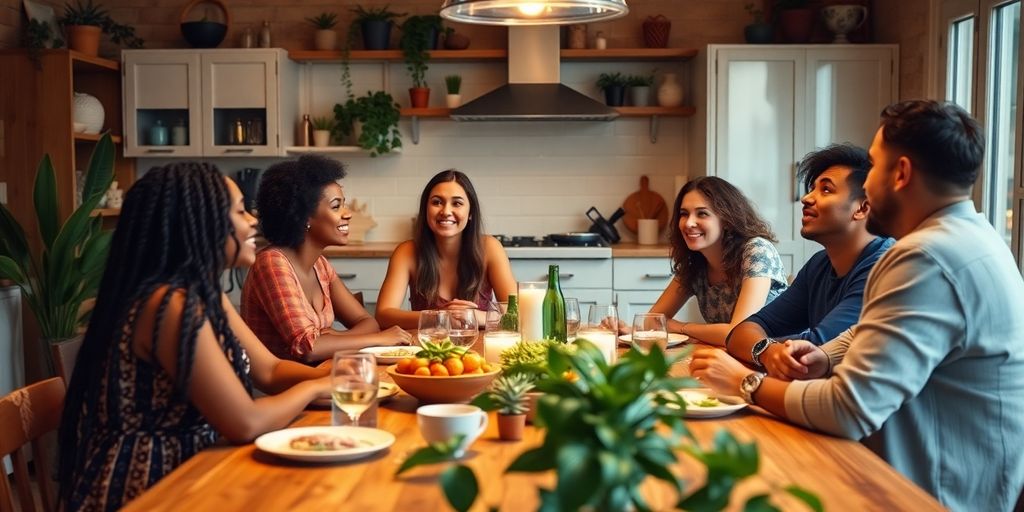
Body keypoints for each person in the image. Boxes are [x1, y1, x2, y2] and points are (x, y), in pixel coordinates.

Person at [690, 100, 1024, 512]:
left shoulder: (927, 257)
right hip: (958, 482)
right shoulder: (975, 237)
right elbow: (875, 329)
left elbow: (849, 410)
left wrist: (746, 383)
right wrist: (824, 356)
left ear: (900, 174)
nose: (867, 185)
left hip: (931, 496)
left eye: (875, 165)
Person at [58, 163, 333, 510]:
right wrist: (315, 387)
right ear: (197, 222)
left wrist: (332, 377)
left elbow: (270, 371)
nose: (252, 220)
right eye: (238, 211)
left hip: (200, 467)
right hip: (149, 489)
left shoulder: (203, 294)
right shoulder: (170, 304)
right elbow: (244, 423)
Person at [726, 144, 894, 376]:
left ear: (862, 208)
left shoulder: (884, 267)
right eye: (811, 189)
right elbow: (742, 331)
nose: (806, 198)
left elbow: (814, 350)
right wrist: (767, 352)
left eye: (825, 190)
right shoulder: (819, 264)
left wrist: (766, 350)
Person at [241, 155, 411, 364]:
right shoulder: (272, 264)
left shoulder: (320, 265)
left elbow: (367, 321)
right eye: (336, 206)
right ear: (305, 217)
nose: (347, 214)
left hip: (320, 378)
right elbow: (309, 348)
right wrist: (379, 339)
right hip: (285, 390)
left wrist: (335, 337)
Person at [645, 176, 788, 345]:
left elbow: (739, 333)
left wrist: (681, 327)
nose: (689, 223)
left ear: (727, 220)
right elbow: (651, 322)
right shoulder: (696, 263)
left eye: (702, 214)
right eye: (684, 214)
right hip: (732, 356)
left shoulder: (757, 251)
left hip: (782, 358)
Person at [376, 170, 517, 329]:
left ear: (470, 212)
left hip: (483, 350)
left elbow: (516, 313)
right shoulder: (407, 252)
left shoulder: (490, 247)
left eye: (457, 203)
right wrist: (441, 318)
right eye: (437, 202)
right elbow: (383, 315)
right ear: (425, 210)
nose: (446, 212)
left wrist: (479, 317)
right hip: (426, 349)